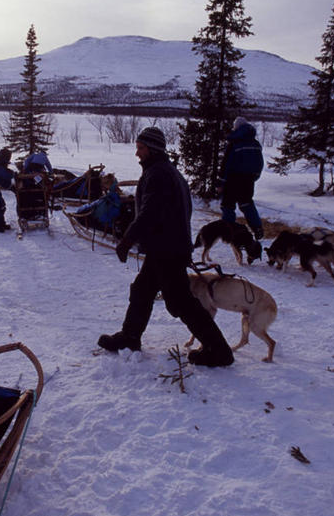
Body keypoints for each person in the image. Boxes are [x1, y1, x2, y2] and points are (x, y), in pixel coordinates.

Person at [98, 127, 234, 367]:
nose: (137, 153)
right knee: (142, 291)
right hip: (166, 247)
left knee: (180, 301)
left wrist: (127, 240)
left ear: (153, 149)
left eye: (141, 148)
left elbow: (150, 212)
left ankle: (219, 350)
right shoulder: (167, 172)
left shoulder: (158, 174)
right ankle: (130, 337)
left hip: (167, 250)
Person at [218, 116, 265, 240]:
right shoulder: (255, 144)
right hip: (248, 180)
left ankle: (229, 230)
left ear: (237, 128)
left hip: (232, 180)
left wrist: (221, 182)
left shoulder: (234, 143)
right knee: (247, 204)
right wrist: (254, 177)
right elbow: (259, 163)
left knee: (227, 205)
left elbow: (226, 164)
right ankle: (257, 228)